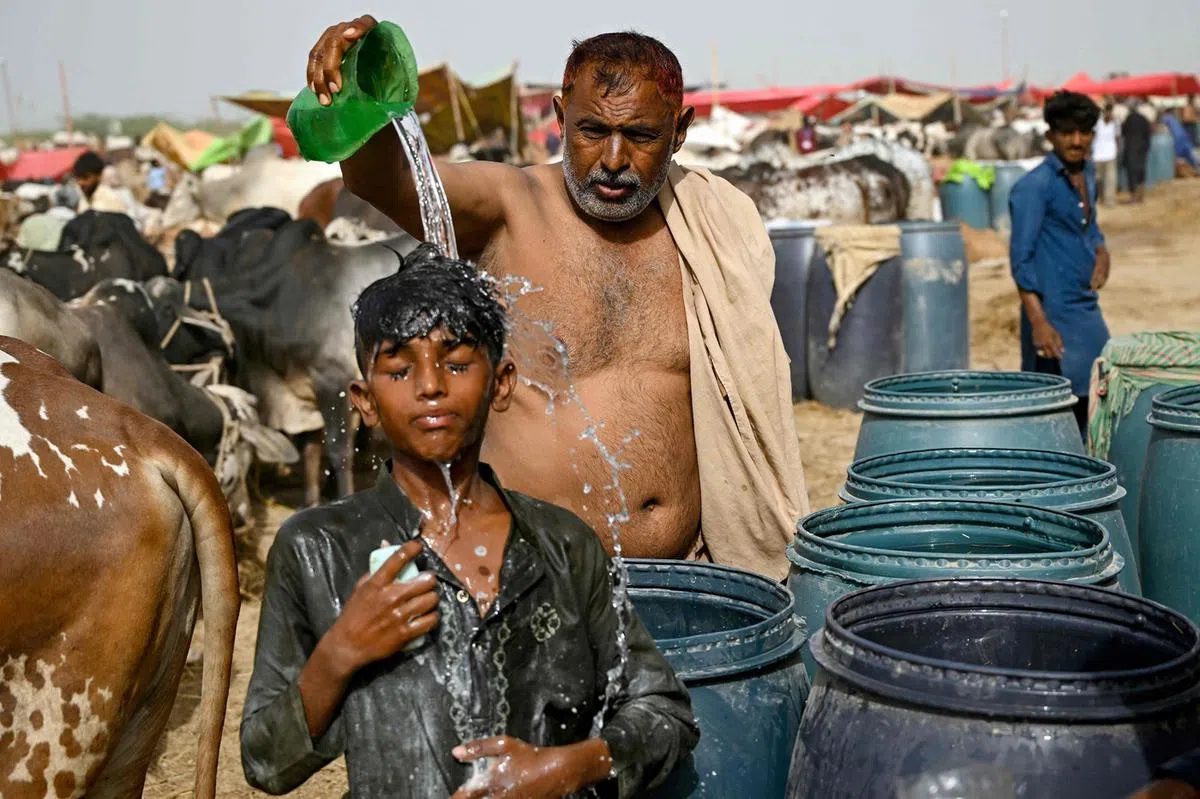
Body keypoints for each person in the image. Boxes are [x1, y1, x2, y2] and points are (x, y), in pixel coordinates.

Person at [305, 17, 808, 579]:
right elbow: (386, 180)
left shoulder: (709, 223)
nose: (613, 159)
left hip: (688, 573)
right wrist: (357, 73)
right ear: (561, 116)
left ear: (680, 130)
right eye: (592, 130)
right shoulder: (509, 206)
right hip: (537, 577)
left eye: (641, 136)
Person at [240, 244, 698, 798]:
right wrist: (340, 654)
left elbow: (665, 713)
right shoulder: (318, 550)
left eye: (456, 364)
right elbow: (265, 762)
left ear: (501, 383)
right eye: (399, 369)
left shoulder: (563, 545)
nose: (430, 386)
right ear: (365, 401)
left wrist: (569, 767)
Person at [1009, 91, 1110, 439]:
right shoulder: (1033, 187)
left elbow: (1090, 226)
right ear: (1050, 135)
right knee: (1050, 406)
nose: (1076, 141)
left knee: (1098, 393)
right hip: (1050, 309)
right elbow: (1020, 259)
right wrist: (1038, 322)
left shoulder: (1088, 174)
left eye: (1084, 132)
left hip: (1084, 304)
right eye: (1067, 133)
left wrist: (1102, 252)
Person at [1122, 102, 1152, 203]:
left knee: (1131, 174)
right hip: (1142, 150)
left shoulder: (1128, 119)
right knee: (1141, 172)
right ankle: (1141, 196)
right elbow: (1148, 134)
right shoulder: (1144, 119)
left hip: (1131, 149)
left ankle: (1133, 196)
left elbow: (1123, 132)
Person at [1092, 104, 1120, 205]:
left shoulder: (1115, 123)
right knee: (1098, 179)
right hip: (1098, 155)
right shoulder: (1097, 124)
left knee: (1111, 179)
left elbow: (1117, 137)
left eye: (1110, 112)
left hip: (1110, 154)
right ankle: (1100, 197)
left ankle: (1109, 200)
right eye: (1107, 112)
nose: (1109, 114)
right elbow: (1092, 136)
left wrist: (1117, 149)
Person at [1161, 109, 1198, 177]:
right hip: (1184, 139)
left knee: (1175, 157)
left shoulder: (1165, 117)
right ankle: (1196, 169)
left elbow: (1163, 129)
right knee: (1191, 157)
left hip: (1177, 140)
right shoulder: (1174, 118)